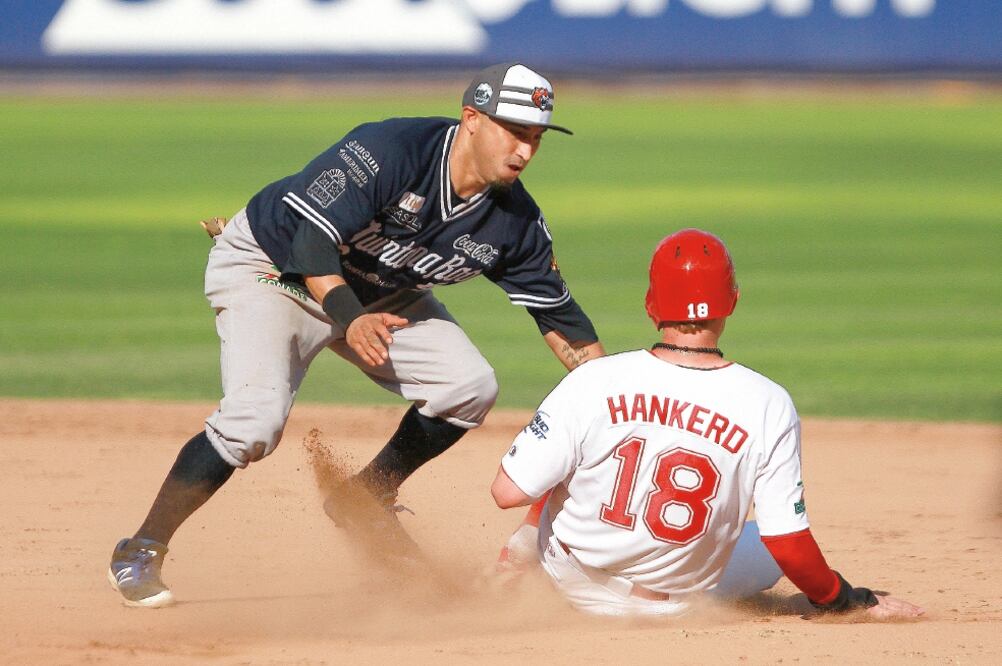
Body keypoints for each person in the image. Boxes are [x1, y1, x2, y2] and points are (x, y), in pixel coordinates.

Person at [108, 62, 605, 608]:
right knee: (254, 422)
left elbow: (563, 322)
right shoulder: (390, 149)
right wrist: (349, 316)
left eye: (535, 137)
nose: (525, 151)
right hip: (276, 269)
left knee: (469, 385)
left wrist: (615, 396)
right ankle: (142, 548)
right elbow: (310, 243)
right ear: (471, 119)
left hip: (381, 293)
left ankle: (365, 497)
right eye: (514, 131)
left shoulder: (515, 221)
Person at [491, 229, 923, 619]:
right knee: (769, 545)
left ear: (650, 305)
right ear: (733, 300)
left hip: (571, 583)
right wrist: (843, 600)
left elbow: (507, 492)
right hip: (668, 609)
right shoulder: (769, 402)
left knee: (564, 465)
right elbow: (790, 545)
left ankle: (522, 557)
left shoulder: (593, 379)